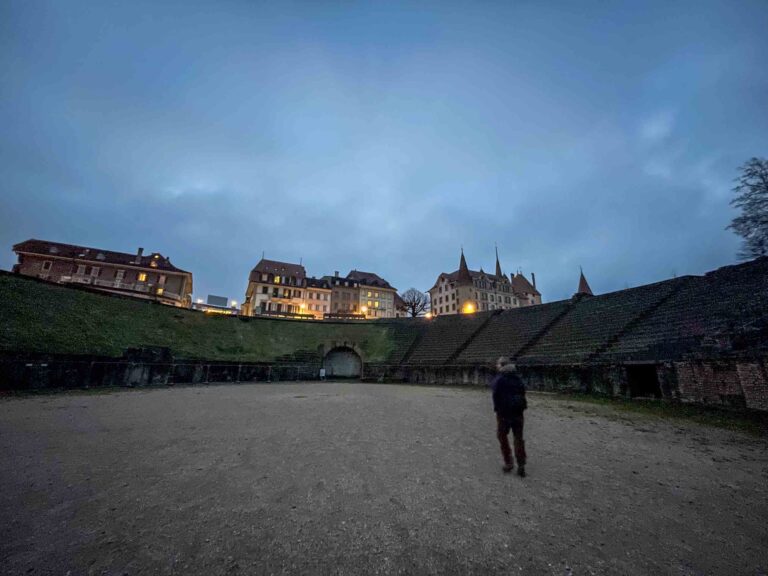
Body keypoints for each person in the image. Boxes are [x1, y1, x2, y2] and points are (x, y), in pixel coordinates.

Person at [490, 357, 527, 476]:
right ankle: (521, 463)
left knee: (501, 436)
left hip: (504, 413)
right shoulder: (517, 377)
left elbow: (495, 394)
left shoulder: (500, 378)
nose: (496, 366)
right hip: (518, 411)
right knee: (518, 437)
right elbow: (522, 391)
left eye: (498, 364)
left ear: (502, 365)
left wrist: (497, 409)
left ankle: (508, 462)